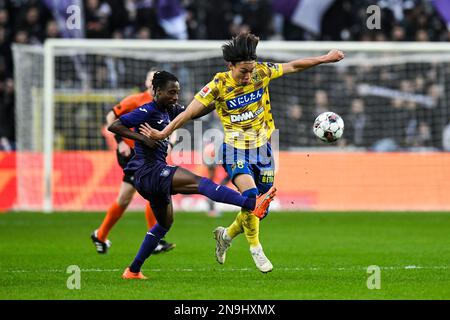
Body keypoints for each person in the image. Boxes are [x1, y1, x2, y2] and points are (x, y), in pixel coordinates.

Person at [139, 32, 344, 273]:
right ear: (230, 66)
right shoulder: (218, 85)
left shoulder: (261, 72)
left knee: (259, 209)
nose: (248, 75)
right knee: (251, 196)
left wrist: (325, 58)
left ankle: (225, 235)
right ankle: (256, 249)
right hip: (234, 150)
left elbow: (293, 65)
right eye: (243, 71)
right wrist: (163, 134)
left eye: (251, 70)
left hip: (263, 148)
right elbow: (188, 113)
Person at [108, 70, 276, 279]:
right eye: (171, 92)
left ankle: (132, 271)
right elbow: (114, 125)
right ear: (157, 91)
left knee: (164, 224)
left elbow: (195, 111)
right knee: (201, 183)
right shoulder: (147, 110)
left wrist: (221, 98)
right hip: (149, 171)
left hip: (151, 176)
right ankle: (252, 205)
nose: (175, 97)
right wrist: (141, 139)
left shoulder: (170, 111)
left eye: (177, 92)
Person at [91, 69, 175, 254]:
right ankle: (156, 240)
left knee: (126, 197)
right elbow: (111, 118)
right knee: (153, 190)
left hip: (151, 154)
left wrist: (171, 143)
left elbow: (173, 125)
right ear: (147, 84)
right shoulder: (135, 100)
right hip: (132, 155)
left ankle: (100, 235)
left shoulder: (165, 103)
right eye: (151, 79)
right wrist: (120, 141)